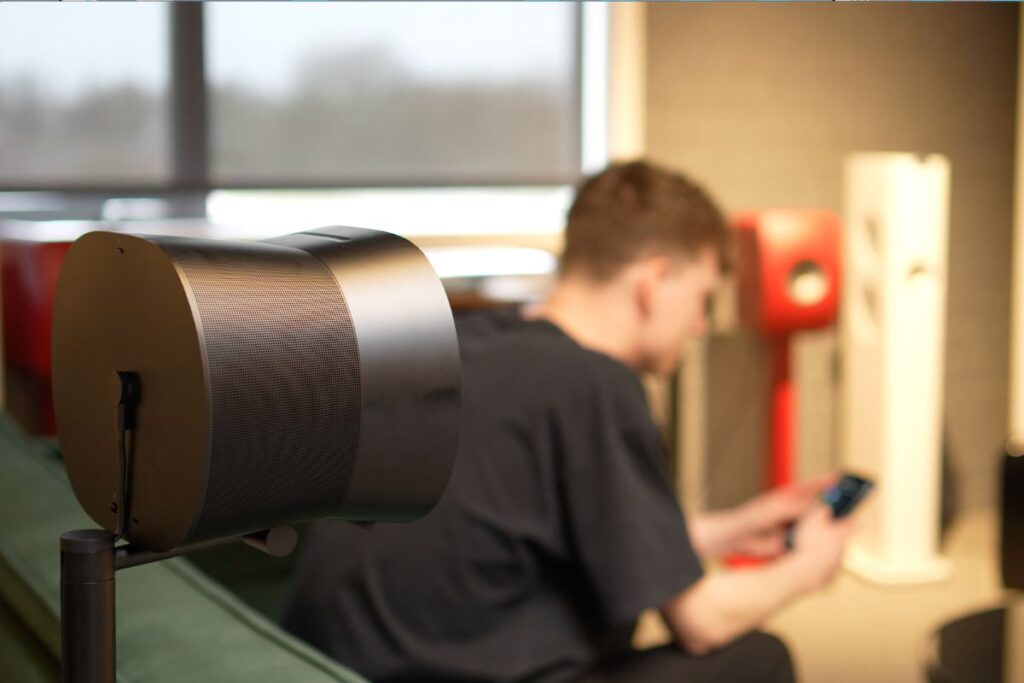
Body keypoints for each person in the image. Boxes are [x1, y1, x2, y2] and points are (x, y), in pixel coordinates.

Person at [282, 160, 854, 683]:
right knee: (759, 657)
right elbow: (700, 622)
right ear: (653, 284)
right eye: (702, 300)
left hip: (331, 662)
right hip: (446, 670)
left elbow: (538, 527)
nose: (701, 326)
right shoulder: (595, 384)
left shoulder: (464, 342)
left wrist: (721, 530)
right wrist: (809, 567)